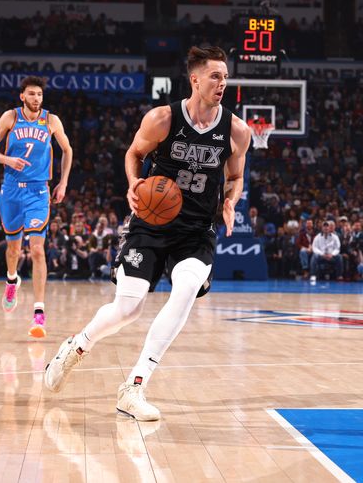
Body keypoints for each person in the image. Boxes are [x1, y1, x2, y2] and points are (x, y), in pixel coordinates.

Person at [43, 46, 251, 420]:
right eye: (215, 76)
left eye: (225, 76)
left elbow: (235, 176)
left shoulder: (237, 130)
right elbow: (133, 153)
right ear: (195, 79)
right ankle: (77, 346)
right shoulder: (162, 118)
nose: (222, 83)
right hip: (153, 223)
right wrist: (133, 183)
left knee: (186, 290)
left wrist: (231, 201)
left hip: (197, 229)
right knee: (128, 307)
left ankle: (134, 386)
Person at [0, 75, 73, 338]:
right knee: (13, 249)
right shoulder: (10, 117)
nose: (36, 98)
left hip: (38, 192)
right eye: (32, 94)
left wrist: (63, 182)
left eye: (40, 95)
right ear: (22, 96)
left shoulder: (51, 120)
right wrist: (7, 160)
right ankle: (12, 279)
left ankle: (39, 314)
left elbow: (68, 150)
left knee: (36, 250)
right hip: (11, 191)